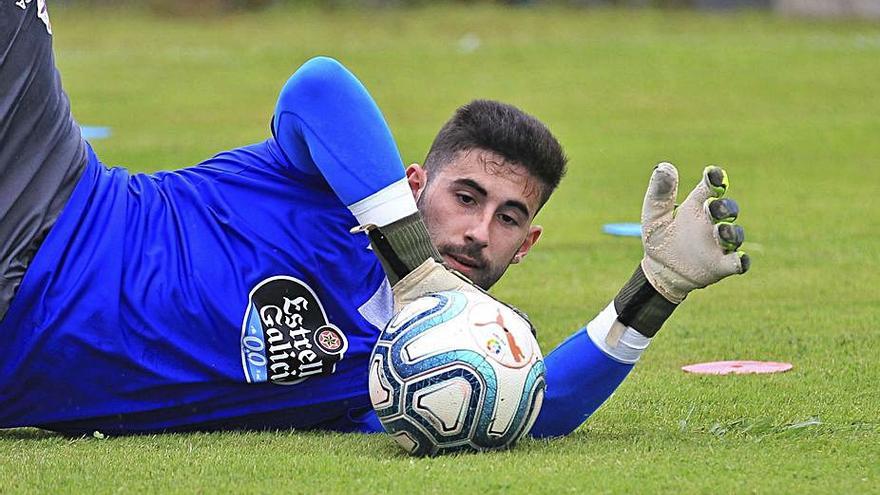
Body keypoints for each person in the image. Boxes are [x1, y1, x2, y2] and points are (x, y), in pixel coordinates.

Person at [0, 2, 748, 437]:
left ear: (527, 246)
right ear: (412, 183)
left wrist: (656, 288)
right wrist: (415, 266)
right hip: (47, 200)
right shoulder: (322, 182)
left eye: (508, 217)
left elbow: (526, 410)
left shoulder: (408, 368)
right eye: (465, 196)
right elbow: (318, 83)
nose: (478, 230)